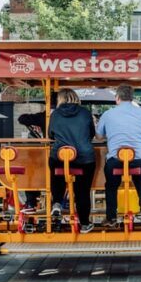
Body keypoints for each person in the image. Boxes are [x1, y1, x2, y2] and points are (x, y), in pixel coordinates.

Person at [96, 85, 141, 225]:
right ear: (132, 98)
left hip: (115, 160)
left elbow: (99, 137)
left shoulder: (108, 114)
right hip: (137, 159)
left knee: (111, 184)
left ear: (117, 98)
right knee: (139, 176)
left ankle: (111, 217)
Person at [48, 88, 96, 233]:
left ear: (60, 99)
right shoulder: (85, 112)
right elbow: (91, 134)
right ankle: (85, 224)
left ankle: (57, 202)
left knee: (56, 173)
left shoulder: (55, 114)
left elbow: (50, 135)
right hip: (84, 157)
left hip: (60, 156)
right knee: (83, 190)